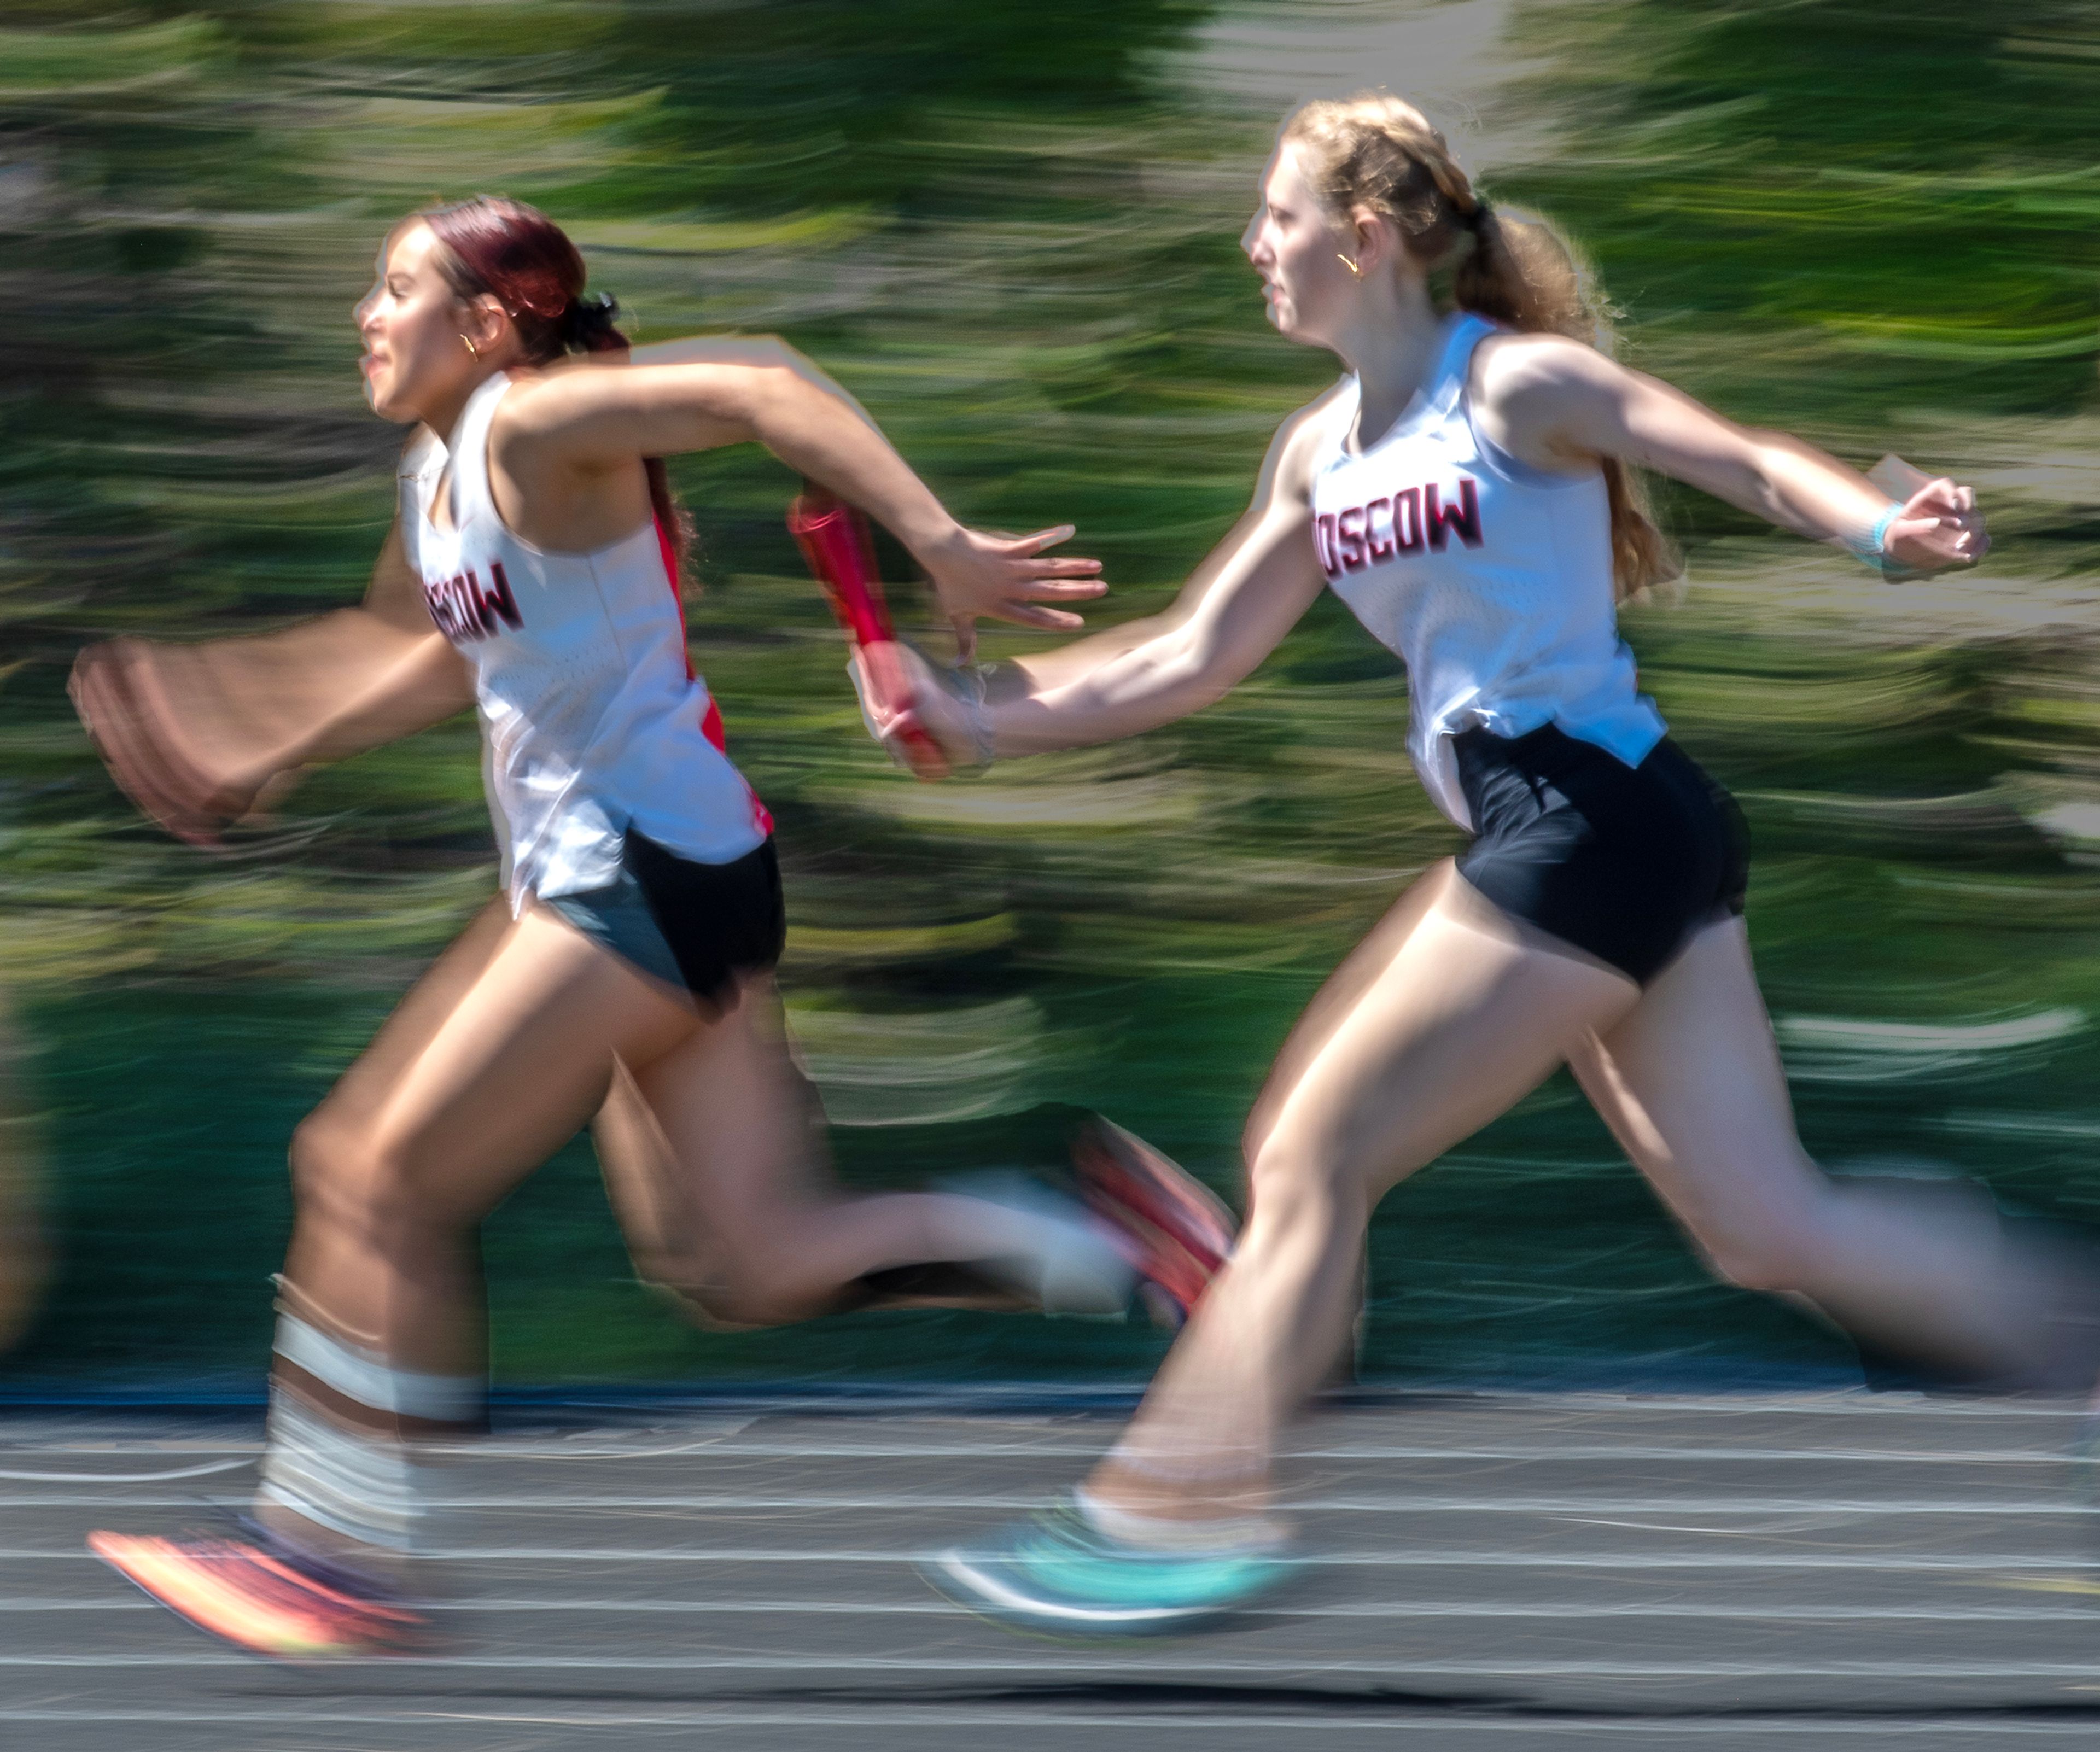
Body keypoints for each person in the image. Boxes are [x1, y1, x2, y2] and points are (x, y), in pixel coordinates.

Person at [858, 93, 2091, 1632]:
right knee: (1764, 1223)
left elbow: (1744, 456)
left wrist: (1881, 529)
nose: (1254, 245)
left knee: (1311, 1155)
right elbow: (1181, 654)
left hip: (1585, 813)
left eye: (1278, 219)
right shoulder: (1321, 453)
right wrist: (968, 716)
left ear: (1364, 238)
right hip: (1602, 829)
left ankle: (1174, 1506)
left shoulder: (1513, 386)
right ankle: (2071, 1342)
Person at [75, 195, 1232, 1657]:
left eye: (391, 292)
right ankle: (1126, 1245)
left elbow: (765, 385)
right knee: (747, 1264)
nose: (362, 317)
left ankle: (332, 1546)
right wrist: (267, 741)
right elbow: (438, 654)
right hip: (665, 870)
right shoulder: (441, 470)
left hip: (635, 873)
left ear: (488, 325)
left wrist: (936, 542)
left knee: (368, 1168)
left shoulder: (534, 423)